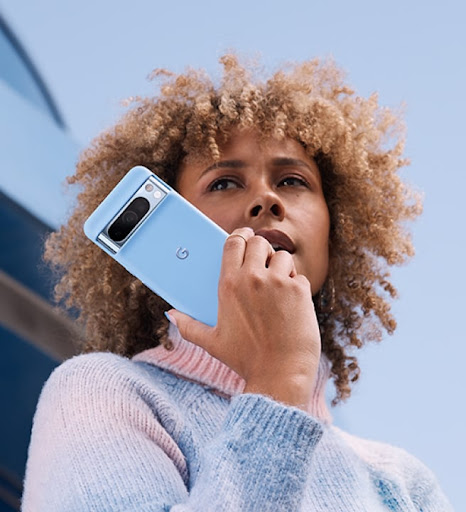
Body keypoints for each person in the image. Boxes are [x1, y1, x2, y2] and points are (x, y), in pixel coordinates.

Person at [21, 54, 452, 511]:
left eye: (292, 180)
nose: (266, 199)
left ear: (337, 227)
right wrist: (277, 379)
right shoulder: (102, 392)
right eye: (224, 183)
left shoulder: (401, 481)